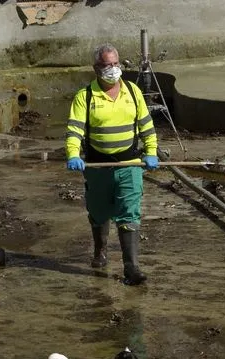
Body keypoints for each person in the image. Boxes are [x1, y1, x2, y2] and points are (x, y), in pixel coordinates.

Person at [65, 43, 159, 286]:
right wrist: (73, 154)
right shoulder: (85, 96)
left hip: (129, 163)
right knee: (99, 212)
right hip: (98, 166)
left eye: (116, 64)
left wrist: (151, 152)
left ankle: (131, 267)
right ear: (96, 68)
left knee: (129, 211)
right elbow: (75, 130)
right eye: (107, 65)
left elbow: (146, 126)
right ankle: (100, 251)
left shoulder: (133, 92)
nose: (113, 69)